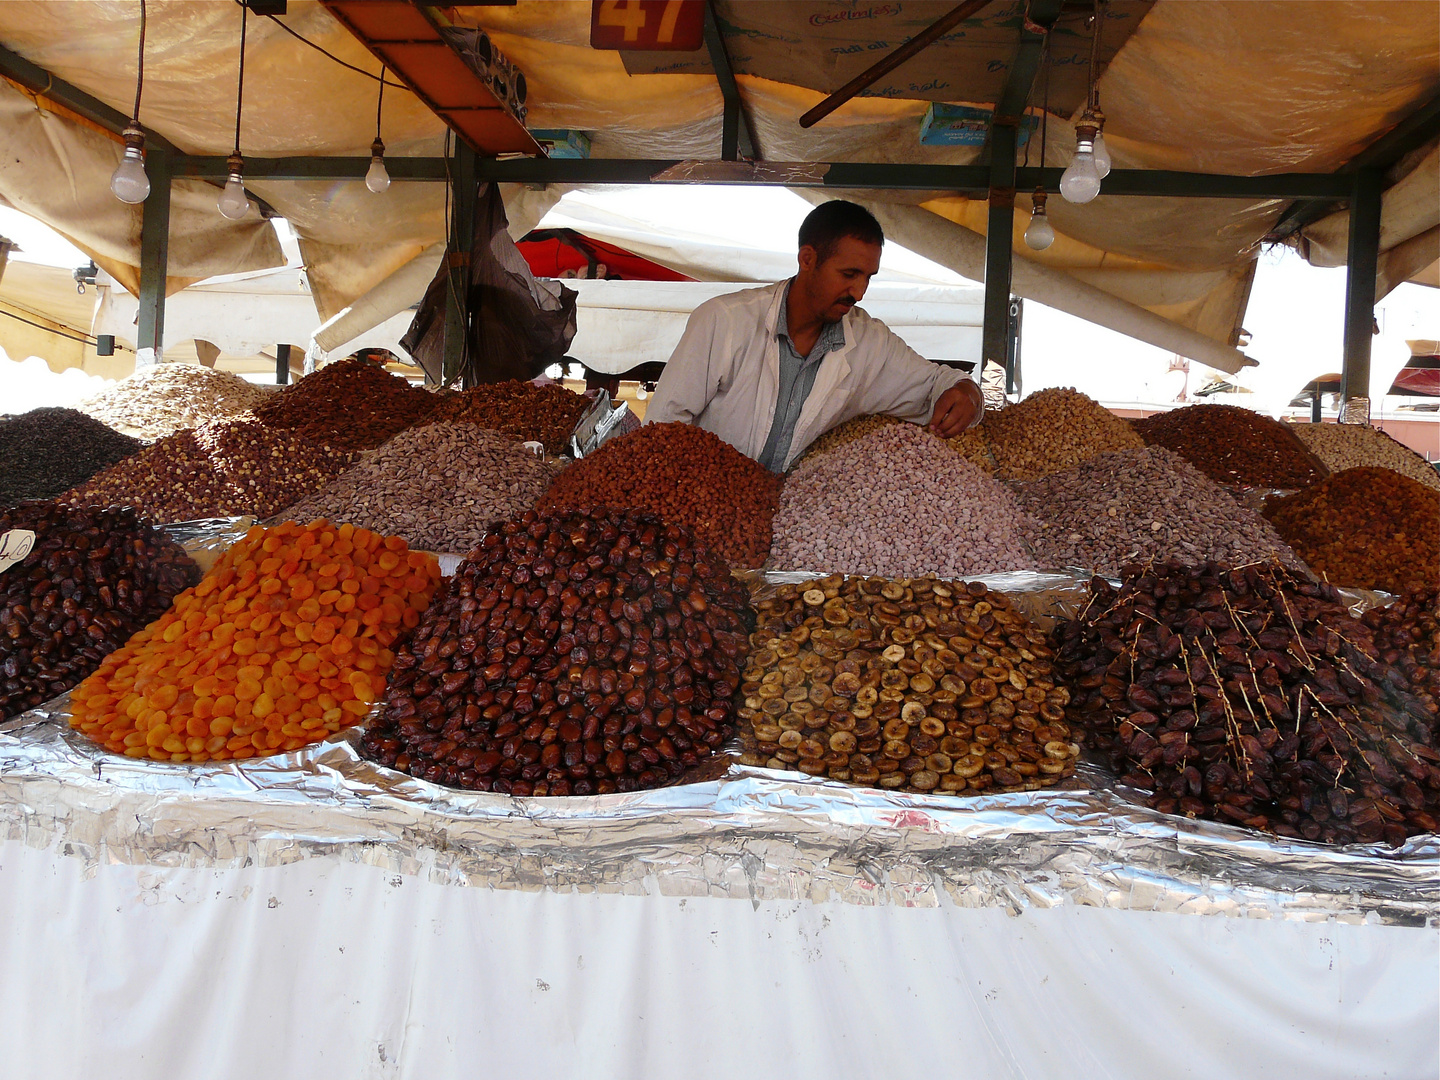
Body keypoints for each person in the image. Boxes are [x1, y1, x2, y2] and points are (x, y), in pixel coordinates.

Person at [645, 200, 984, 472]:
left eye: (868, 277)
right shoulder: (723, 321)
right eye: (849, 274)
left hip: (793, 516)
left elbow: (936, 384)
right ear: (807, 259)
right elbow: (663, 429)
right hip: (703, 507)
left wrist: (967, 393)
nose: (859, 292)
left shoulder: (868, 342)